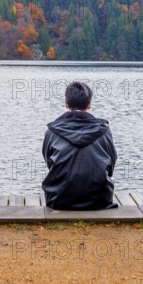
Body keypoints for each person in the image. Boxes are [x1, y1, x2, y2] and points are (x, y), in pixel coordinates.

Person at [41, 81, 118, 210]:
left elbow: (50, 163)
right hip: (99, 199)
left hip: (58, 199)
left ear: (66, 104)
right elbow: (111, 164)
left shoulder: (52, 131)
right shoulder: (104, 131)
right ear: (89, 105)